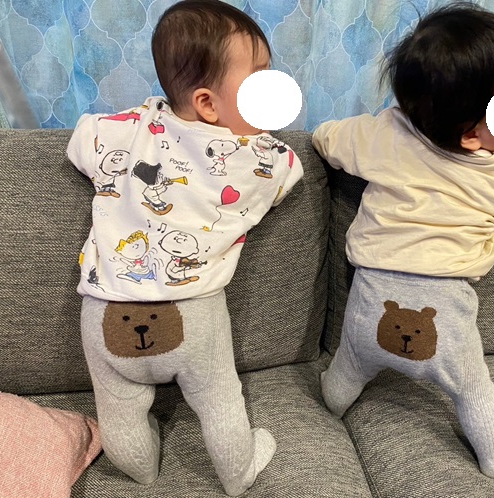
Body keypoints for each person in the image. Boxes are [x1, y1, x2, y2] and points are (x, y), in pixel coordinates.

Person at [67, 0, 303, 494]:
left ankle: (141, 471)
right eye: (260, 78)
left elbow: (80, 143)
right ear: (208, 104)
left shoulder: (121, 129)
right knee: (219, 401)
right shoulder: (261, 159)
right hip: (193, 314)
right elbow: (292, 174)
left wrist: (147, 116)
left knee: (118, 409)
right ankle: (238, 474)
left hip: (106, 313)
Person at [313, 2, 494, 478]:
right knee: (472, 389)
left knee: (349, 365)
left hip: (371, 298)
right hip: (445, 312)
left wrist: (383, 128)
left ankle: (330, 401)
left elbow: (326, 139)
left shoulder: (384, 136)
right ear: (473, 136)